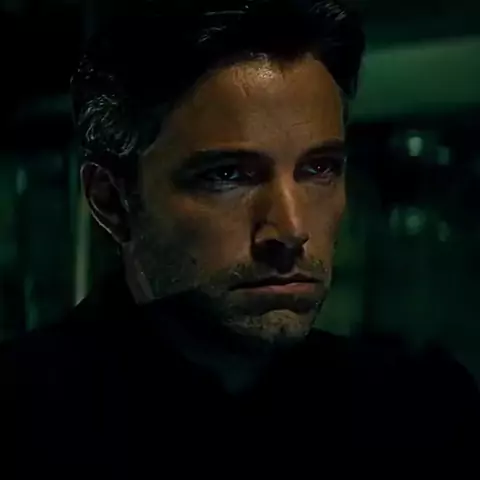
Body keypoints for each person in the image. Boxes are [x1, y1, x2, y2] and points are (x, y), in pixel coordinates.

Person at [1, 0, 479, 474]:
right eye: (228, 175)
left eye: (319, 169)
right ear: (112, 201)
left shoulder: (421, 413)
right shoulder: (23, 418)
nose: (291, 229)